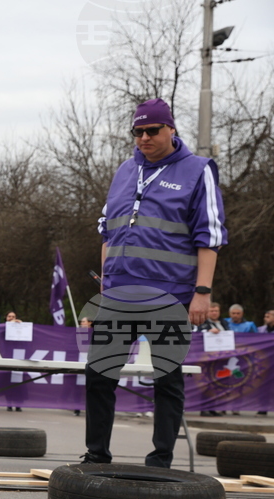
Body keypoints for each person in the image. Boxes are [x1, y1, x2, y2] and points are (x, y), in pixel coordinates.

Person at [83, 98, 226, 468]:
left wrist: (202, 292)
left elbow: (209, 237)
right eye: (138, 131)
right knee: (99, 374)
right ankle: (97, 454)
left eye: (152, 130)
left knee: (167, 378)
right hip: (119, 294)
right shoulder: (124, 171)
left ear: (170, 129)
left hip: (170, 295)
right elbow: (107, 231)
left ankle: (161, 459)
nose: (144, 137)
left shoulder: (198, 170)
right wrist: (105, 282)